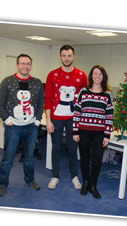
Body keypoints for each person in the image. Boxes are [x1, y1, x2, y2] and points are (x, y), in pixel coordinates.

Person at [0, 54, 44, 196]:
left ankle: (29, 180)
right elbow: (0, 104)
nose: (25, 66)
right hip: (13, 126)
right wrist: (7, 119)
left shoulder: (37, 83)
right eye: (22, 63)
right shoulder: (7, 81)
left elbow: (40, 103)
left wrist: (37, 119)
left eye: (28, 63)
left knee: (29, 157)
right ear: (17, 65)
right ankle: (2, 184)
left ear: (31, 65)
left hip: (31, 126)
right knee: (8, 158)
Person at [44, 45, 87, 190]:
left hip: (74, 119)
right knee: (56, 147)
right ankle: (55, 176)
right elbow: (48, 98)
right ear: (60, 56)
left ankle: (74, 176)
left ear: (73, 56)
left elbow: (83, 100)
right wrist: (48, 120)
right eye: (63, 55)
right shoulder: (52, 74)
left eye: (69, 55)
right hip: (56, 118)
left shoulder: (81, 75)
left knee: (72, 148)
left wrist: (82, 120)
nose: (66, 58)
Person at [72, 65, 113, 199]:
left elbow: (109, 116)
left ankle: (93, 185)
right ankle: (85, 182)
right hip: (83, 131)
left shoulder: (107, 95)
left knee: (97, 160)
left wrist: (107, 134)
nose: (97, 76)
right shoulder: (83, 92)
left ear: (103, 77)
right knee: (84, 158)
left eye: (100, 74)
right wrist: (75, 131)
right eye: (95, 73)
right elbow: (77, 112)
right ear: (91, 76)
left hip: (99, 134)